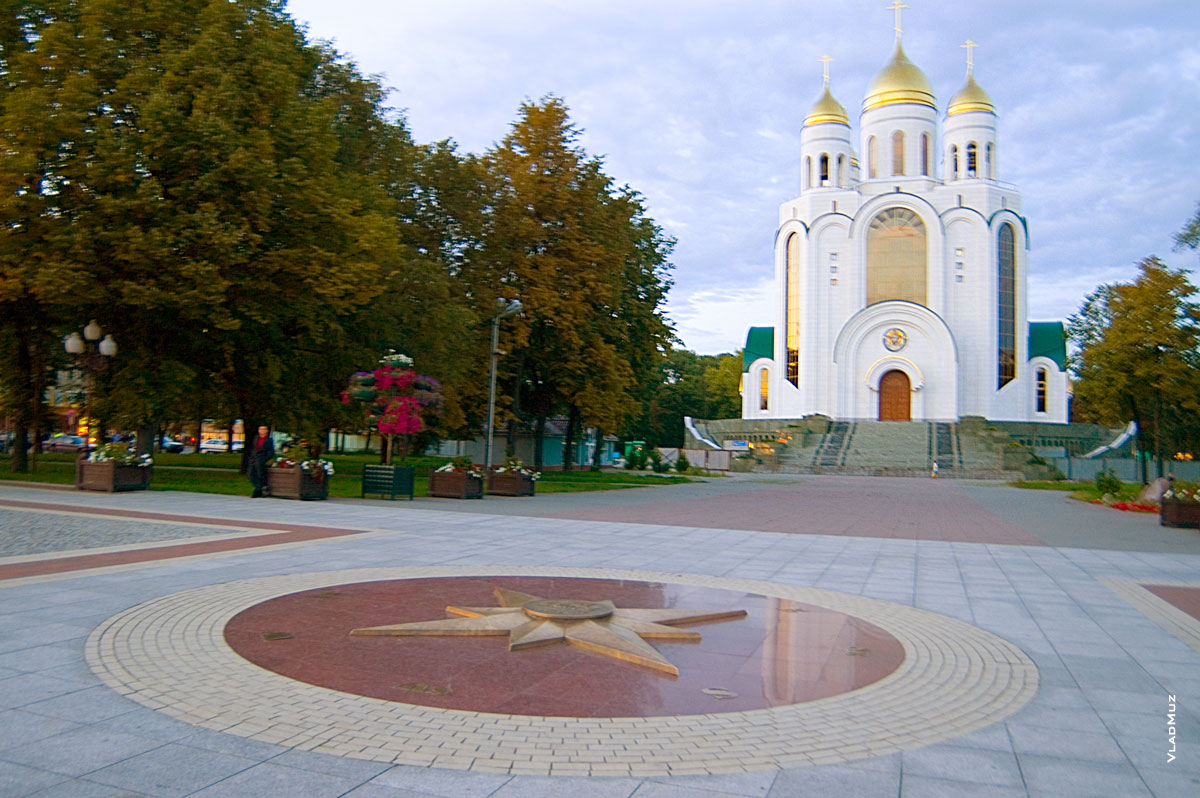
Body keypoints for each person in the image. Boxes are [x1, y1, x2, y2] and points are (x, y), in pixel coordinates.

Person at [248, 425, 275, 498]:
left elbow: (271, 452)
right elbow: (253, 448)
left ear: (266, 431)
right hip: (253, 458)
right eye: (260, 429)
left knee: (260, 474)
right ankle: (257, 488)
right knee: (251, 474)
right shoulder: (256, 438)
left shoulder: (269, 440)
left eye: (263, 430)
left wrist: (264, 459)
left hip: (261, 459)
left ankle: (258, 490)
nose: (262, 431)